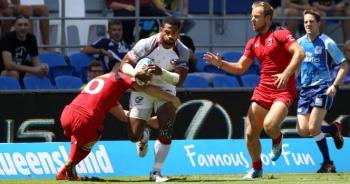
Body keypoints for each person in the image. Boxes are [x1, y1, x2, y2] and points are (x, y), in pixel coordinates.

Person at [204, 1, 305, 179]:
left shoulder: (281, 34)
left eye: (256, 17)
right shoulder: (253, 42)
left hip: (283, 90)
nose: (252, 20)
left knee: (270, 126)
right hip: (262, 90)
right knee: (250, 133)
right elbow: (240, 68)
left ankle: (277, 138)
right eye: (252, 16)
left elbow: (299, 53)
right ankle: (257, 168)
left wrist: (286, 73)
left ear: (267, 18)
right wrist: (220, 63)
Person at [56, 66, 180, 181]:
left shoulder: (105, 84)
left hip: (67, 114)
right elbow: (146, 88)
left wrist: (147, 122)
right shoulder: (120, 76)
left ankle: (65, 169)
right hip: (85, 120)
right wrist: (172, 98)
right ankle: (71, 162)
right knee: (95, 133)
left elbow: (122, 116)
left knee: (80, 133)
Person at [120, 16, 189, 182]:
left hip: (165, 87)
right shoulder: (146, 44)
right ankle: (143, 136)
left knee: (167, 126)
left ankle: (156, 172)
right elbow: (124, 64)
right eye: (167, 32)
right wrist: (137, 73)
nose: (170, 36)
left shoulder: (183, 51)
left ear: (179, 33)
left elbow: (179, 79)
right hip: (142, 87)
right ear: (161, 30)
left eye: (174, 33)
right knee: (133, 136)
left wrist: (161, 72)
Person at [297, 9, 348, 173]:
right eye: (305, 22)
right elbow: (295, 67)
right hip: (305, 91)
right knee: (302, 131)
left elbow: (344, 65)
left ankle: (328, 163)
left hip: (322, 89)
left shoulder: (327, 42)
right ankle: (333, 129)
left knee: (313, 127)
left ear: (318, 23)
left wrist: (335, 85)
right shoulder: (299, 43)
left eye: (311, 21)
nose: (308, 24)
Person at [0, 14, 48, 83]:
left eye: (26, 25)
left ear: (29, 26)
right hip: (4, 70)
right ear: (15, 26)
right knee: (13, 73)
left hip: (20, 69)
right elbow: (8, 65)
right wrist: (34, 69)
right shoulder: (7, 38)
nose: (23, 28)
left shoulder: (31, 38)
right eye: (20, 25)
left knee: (39, 74)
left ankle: (32, 93)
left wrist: (42, 68)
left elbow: (36, 63)